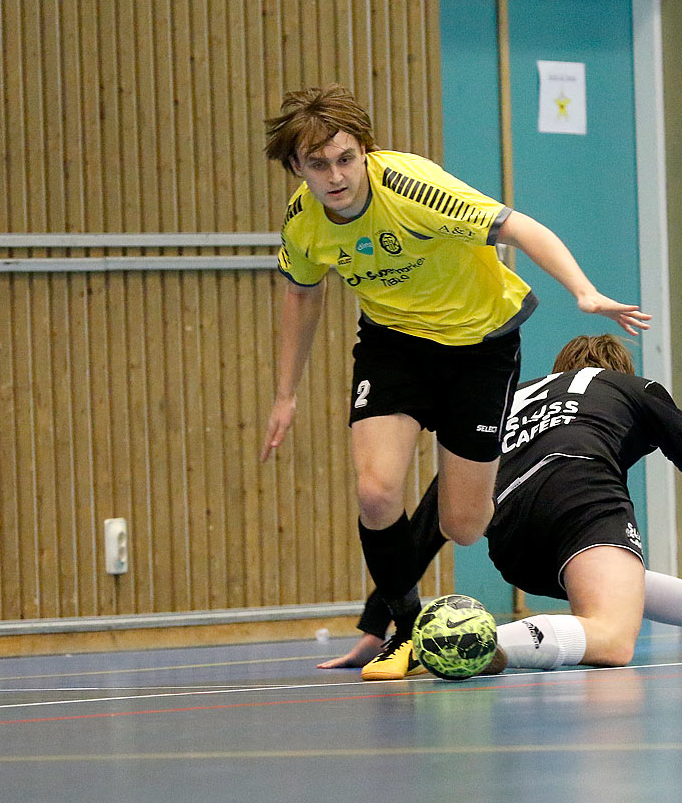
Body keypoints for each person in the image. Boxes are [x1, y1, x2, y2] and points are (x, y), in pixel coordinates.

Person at [260, 85, 649, 675]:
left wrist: (585, 291)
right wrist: (286, 393)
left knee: (463, 526)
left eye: (345, 159)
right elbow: (300, 294)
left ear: (364, 152)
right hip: (394, 345)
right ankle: (407, 628)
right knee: (375, 492)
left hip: (480, 346)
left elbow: (522, 229)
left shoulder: (415, 190)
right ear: (296, 168)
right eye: (317, 165)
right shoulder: (304, 222)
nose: (335, 176)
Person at [321, 333, 682, 678]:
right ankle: (469, 641)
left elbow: (430, 518)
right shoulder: (634, 388)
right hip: (579, 495)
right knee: (612, 638)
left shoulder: (512, 399)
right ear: (620, 370)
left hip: (513, 539)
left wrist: (381, 621)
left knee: (619, 588)